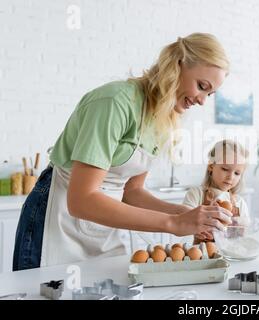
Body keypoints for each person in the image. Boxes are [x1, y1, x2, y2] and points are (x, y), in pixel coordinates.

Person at [13, 33, 232, 271]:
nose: (202, 101)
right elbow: (81, 201)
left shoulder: (162, 117)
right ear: (177, 65)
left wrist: (184, 213)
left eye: (209, 94)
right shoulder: (114, 102)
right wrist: (173, 222)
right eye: (201, 86)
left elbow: (132, 191)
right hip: (57, 219)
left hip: (102, 229)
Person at [183, 139, 250, 243]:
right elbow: (183, 221)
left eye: (237, 173)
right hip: (203, 257)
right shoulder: (196, 194)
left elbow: (245, 233)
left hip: (230, 255)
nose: (230, 177)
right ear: (211, 166)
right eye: (225, 169)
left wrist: (240, 228)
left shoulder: (239, 203)